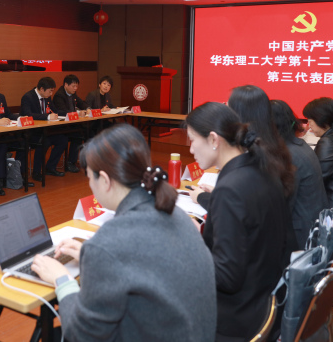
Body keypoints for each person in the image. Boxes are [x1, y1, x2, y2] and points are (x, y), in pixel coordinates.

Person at [31, 124, 215, 341]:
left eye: (89, 178)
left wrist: (62, 280)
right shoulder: (178, 215)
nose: (90, 185)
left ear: (105, 180)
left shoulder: (110, 241)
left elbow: (82, 335)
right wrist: (92, 256)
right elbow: (143, 261)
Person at [187, 102, 291, 341]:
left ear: (214, 139)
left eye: (192, 140)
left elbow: (226, 277)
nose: (190, 149)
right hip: (264, 302)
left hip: (234, 318)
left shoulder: (230, 189)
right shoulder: (262, 168)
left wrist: (190, 242)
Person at [270, 99, 329, 250]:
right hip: (313, 227)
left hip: (300, 237)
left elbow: (280, 206)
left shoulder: (288, 156)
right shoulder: (299, 145)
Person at [19, 77, 68, 180]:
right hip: (31, 132)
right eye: (50, 91)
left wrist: (70, 114)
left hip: (44, 130)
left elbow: (55, 111)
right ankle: (36, 172)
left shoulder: (47, 97)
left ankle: (50, 167)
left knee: (63, 140)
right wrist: (47, 117)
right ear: (41, 89)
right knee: (44, 141)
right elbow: (28, 114)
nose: (51, 94)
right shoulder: (28, 97)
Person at [52, 74, 90, 173]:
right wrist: (78, 113)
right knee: (77, 135)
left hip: (72, 124)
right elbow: (63, 111)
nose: (75, 88)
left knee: (86, 132)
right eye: (73, 86)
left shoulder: (73, 93)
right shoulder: (59, 95)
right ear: (66, 84)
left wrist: (87, 108)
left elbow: (81, 103)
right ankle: (70, 162)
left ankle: (85, 160)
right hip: (61, 126)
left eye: (76, 86)